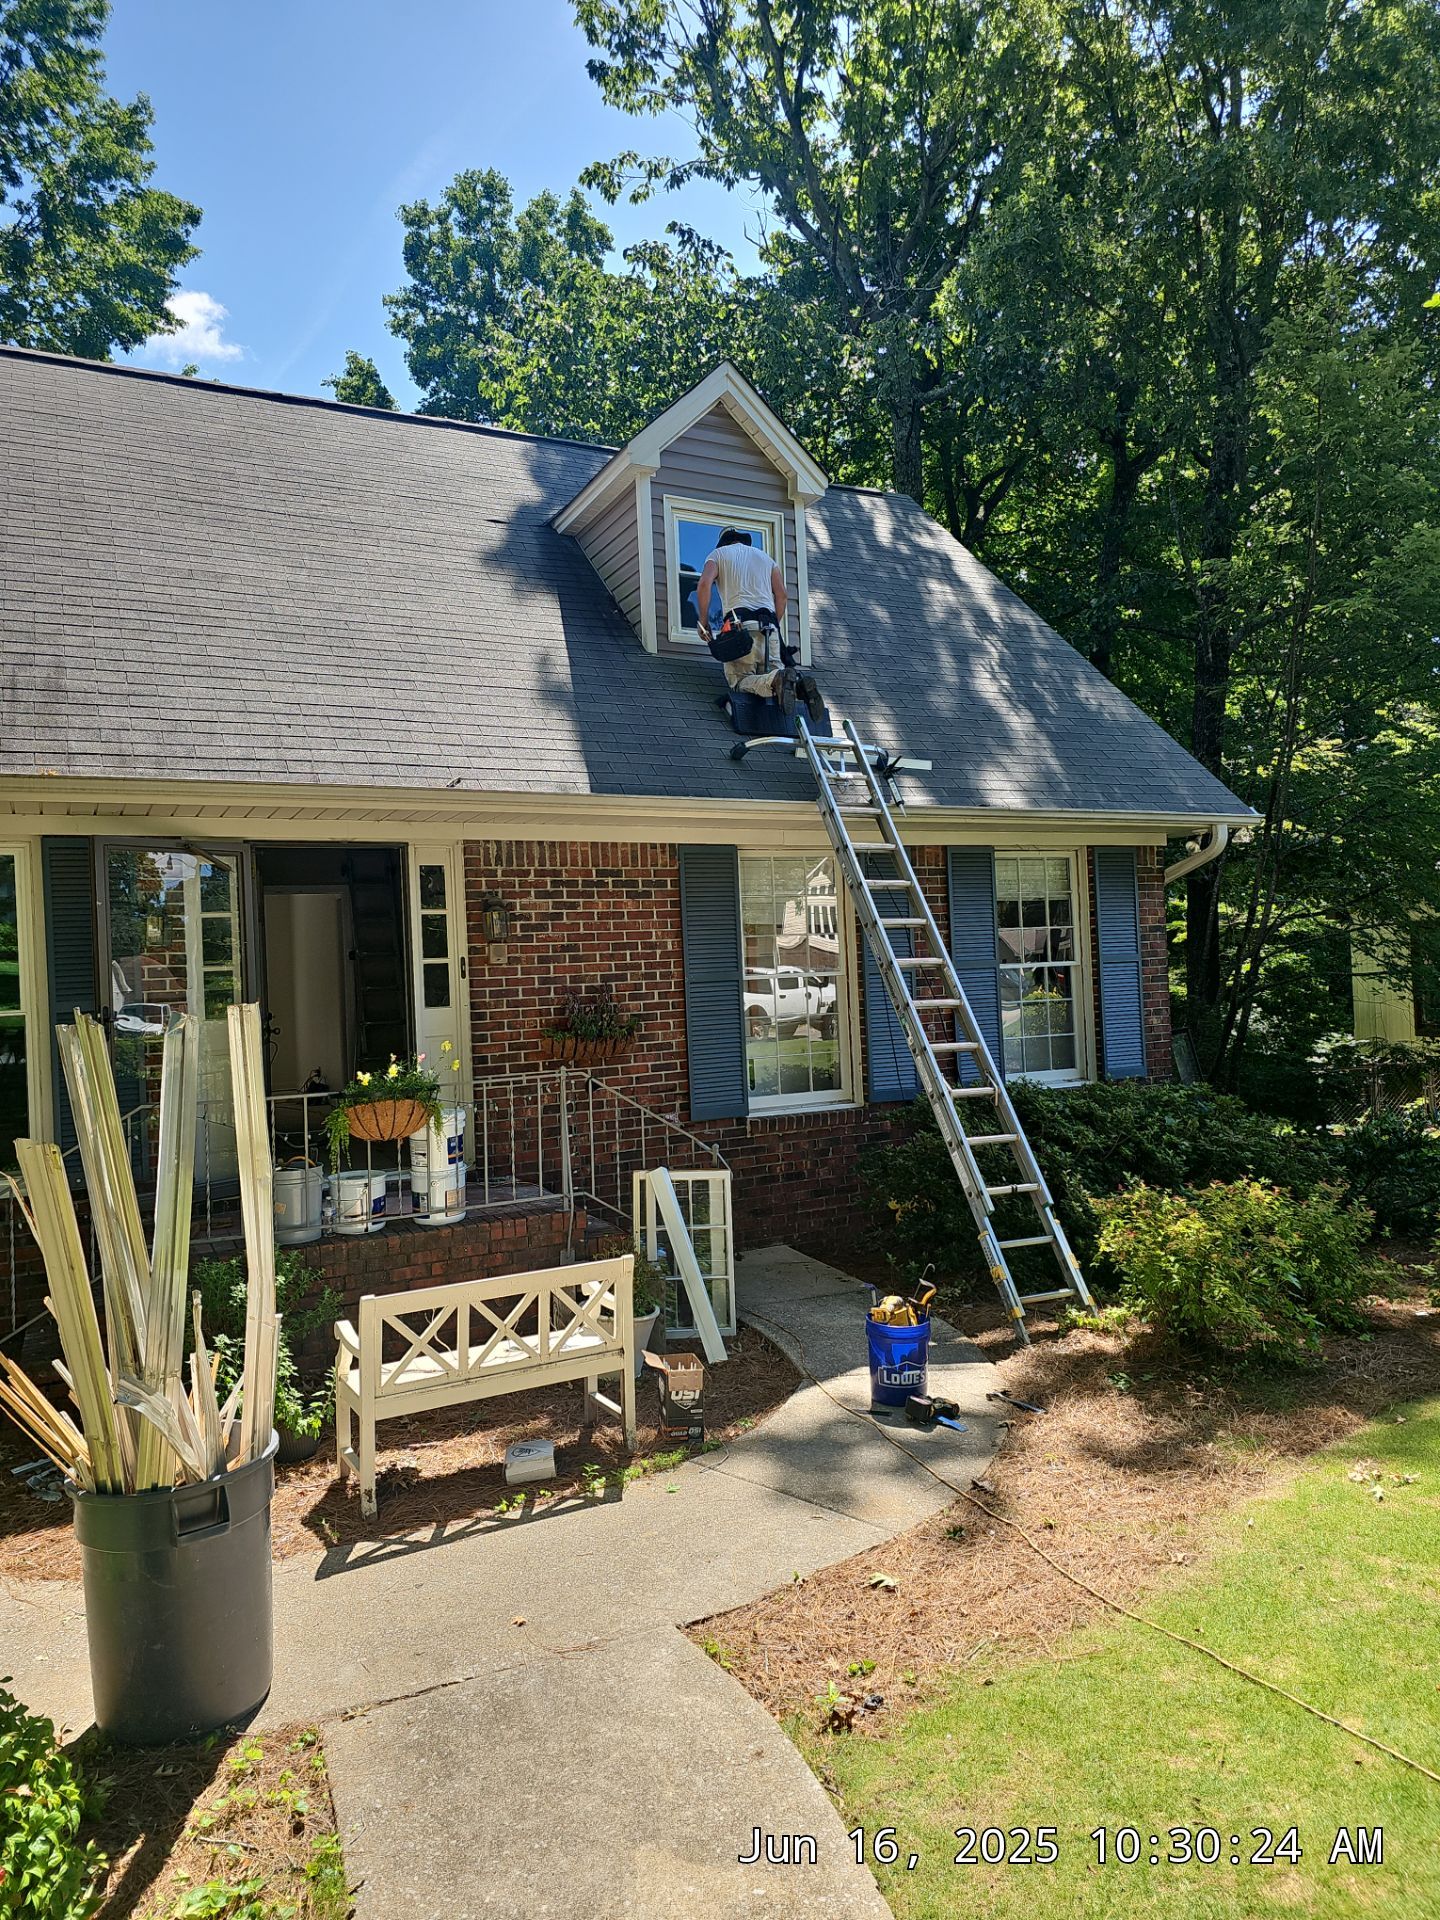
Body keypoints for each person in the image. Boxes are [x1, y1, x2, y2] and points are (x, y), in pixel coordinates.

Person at [696, 529, 824, 726]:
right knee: (778, 681)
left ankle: (778, 679)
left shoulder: (718, 555)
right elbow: (782, 595)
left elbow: (704, 583)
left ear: (723, 543)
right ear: (746, 543)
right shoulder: (767, 559)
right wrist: (774, 627)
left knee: (740, 682)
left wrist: (703, 621)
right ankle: (798, 686)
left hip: (739, 629)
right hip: (769, 626)